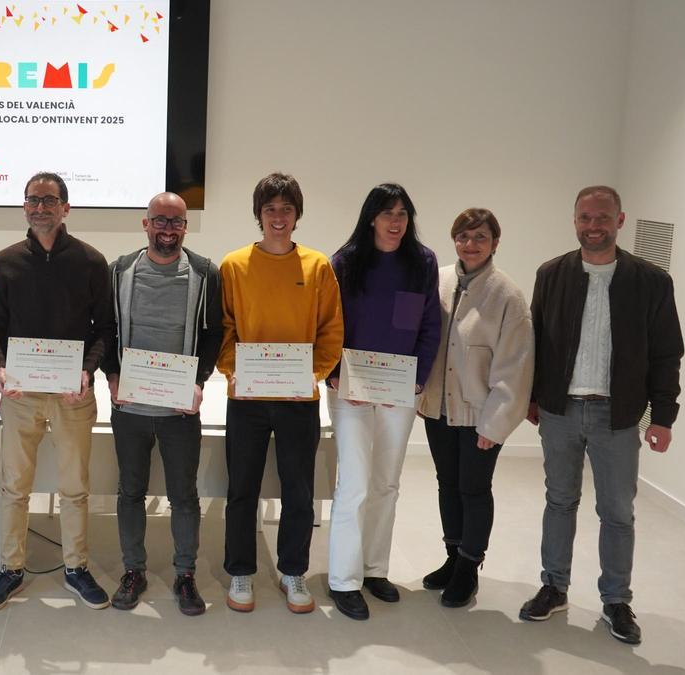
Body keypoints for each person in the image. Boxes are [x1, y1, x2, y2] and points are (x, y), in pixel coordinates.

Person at [519, 185, 683, 645]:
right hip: (561, 410)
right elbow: (536, 341)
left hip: (619, 415)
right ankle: (554, 586)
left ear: (620, 220)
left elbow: (667, 353)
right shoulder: (551, 275)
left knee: (617, 512)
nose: (594, 226)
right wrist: (532, 397)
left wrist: (663, 417)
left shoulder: (649, 281)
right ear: (574, 220)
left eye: (603, 218)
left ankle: (616, 600)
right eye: (586, 218)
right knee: (559, 501)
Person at [0, 171, 116, 612]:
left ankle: (76, 568)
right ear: (24, 206)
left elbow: (106, 330)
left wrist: (87, 370)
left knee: (75, 486)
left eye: (50, 199)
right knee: (13, 486)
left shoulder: (92, 262)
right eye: (33, 199)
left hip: (71, 394)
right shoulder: (6, 261)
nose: (41, 207)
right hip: (21, 394)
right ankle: (11, 568)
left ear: (66, 208)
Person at [217, 172, 343, 614]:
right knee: (242, 488)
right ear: (259, 214)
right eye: (269, 209)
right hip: (247, 399)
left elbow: (331, 330)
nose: (277, 217)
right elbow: (224, 328)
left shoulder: (318, 266)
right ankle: (240, 571)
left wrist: (314, 374)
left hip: (298, 401)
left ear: (297, 215)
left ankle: (293, 571)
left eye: (285, 209)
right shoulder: (233, 265)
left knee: (298, 489)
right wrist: (232, 371)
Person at [102, 192, 223, 616]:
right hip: (130, 408)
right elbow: (106, 327)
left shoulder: (205, 272)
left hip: (178, 410)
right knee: (130, 491)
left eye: (176, 222)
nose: (168, 229)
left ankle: (185, 574)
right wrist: (112, 375)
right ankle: (133, 571)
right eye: (160, 221)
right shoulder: (120, 270)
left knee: (184, 496)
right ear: (145, 223)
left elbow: (213, 333)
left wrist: (199, 382)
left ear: (185, 227)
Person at [326, 183, 441, 621]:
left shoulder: (422, 262)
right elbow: (330, 322)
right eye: (387, 213)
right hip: (350, 388)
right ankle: (344, 579)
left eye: (403, 214)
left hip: (399, 390)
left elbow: (430, 321)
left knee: (387, 483)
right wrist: (334, 372)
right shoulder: (346, 261)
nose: (396, 222)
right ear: (371, 217)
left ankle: (375, 570)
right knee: (353, 482)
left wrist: (418, 377)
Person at [417, 208, 533, 608]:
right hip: (439, 409)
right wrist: (421, 396)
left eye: (480, 237)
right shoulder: (441, 280)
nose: (471, 244)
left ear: (495, 242)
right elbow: (425, 339)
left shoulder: (508, 296)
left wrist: (495, 424)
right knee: (446, 485)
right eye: (463, 236)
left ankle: (469, 568)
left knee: (474, 489)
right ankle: (452, 556)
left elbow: (515, 367)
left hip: (480, 416)